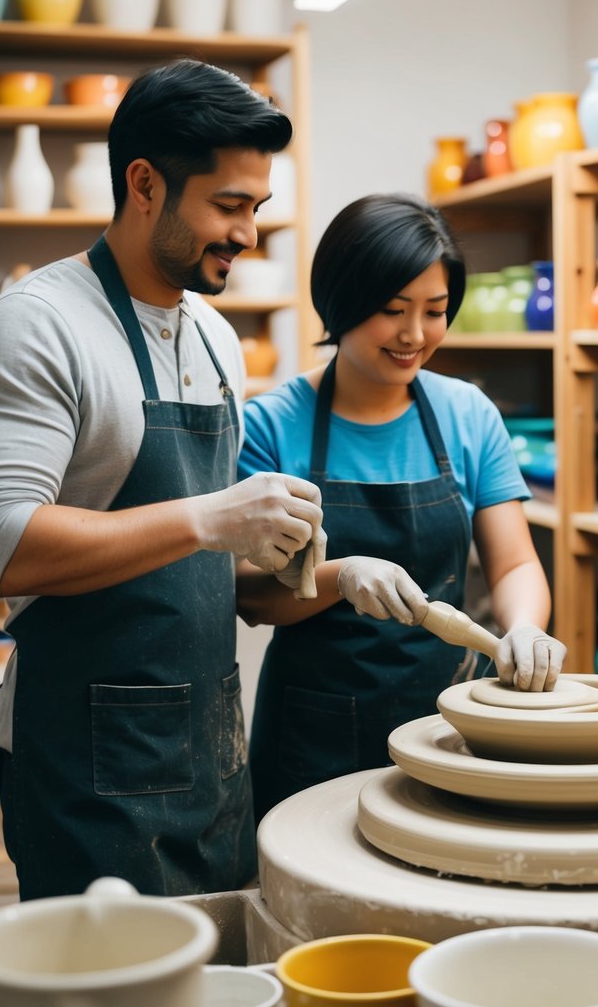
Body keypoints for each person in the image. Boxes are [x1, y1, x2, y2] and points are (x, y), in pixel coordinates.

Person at [0, 60, 326, 901]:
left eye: (256, 208)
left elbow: (214, 576)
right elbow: (5, 546)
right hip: (84, 764)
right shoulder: (43, 325)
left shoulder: (214, 336)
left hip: (211, 750)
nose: (248, 233)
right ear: (144, 183)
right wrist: (213, 518)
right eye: (228, 205)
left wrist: (326, 577)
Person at [236, 192, 567, 819]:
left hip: (447, 719)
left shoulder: (468, 414)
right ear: (340, 301)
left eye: (436, 311)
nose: (415, 335)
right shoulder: (273, 424)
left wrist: (524, 626)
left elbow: (516, 564)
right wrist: (341, 576)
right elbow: (248, 595)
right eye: (392, 310)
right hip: (312, 732)